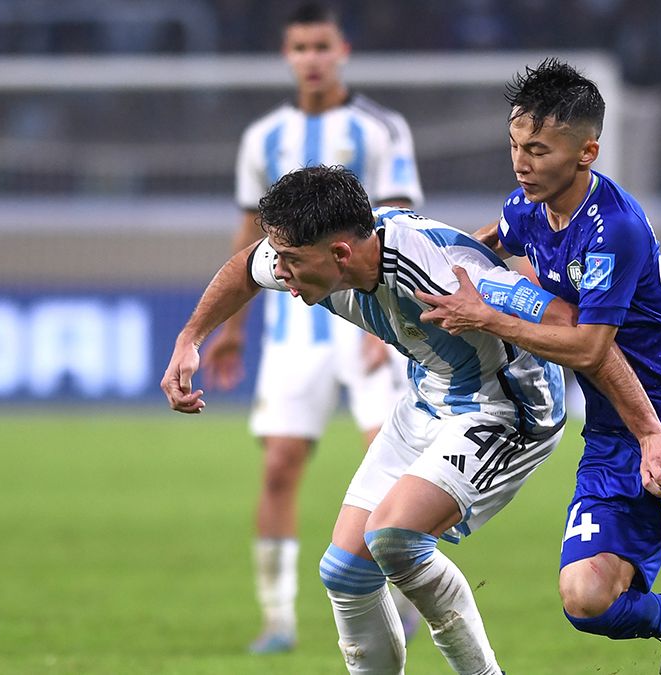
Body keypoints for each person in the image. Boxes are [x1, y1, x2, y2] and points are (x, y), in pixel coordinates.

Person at [161, 165, 661, 675]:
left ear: (340, 254)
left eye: (292, 261)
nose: (281, 272)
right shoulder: (313, 255)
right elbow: (244, 267)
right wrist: (190, 339)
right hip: (429, 398)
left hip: (509, 411)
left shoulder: (444, 274)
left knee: (394, 536)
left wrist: (648, 432)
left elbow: (575, 328)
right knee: (344, 572)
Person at [415, 59, 661, 675]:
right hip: (612, 433)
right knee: (586, 599)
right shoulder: (527, 208)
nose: (521, 163)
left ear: (586, 153)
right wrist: (435, 268)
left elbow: (588, 348)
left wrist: (487, 316)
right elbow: (485, 241)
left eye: (538, 150)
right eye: (515, 146)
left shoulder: (614, 229)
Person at [197, 2, 425, 654]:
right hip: (294, 328)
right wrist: (231, 329)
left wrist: (387, 322)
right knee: (279, 467)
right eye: (301, 48)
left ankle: (407, 600)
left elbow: (399, 221)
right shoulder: (262, 137)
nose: (312, 59)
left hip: (373, 320)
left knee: (392, 464)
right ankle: (277, 620)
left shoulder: (381, 128)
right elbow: (249, 235)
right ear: (287, 55)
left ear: (342, 50)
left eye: (322, 46)